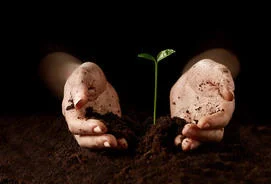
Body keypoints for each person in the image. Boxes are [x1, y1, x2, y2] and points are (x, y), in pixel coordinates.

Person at [39, 43, 240, 151]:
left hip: (190, 108)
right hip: (98, 97)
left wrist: (213, 71)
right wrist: (73, 77)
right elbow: (47, 51)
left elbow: (227, 42)